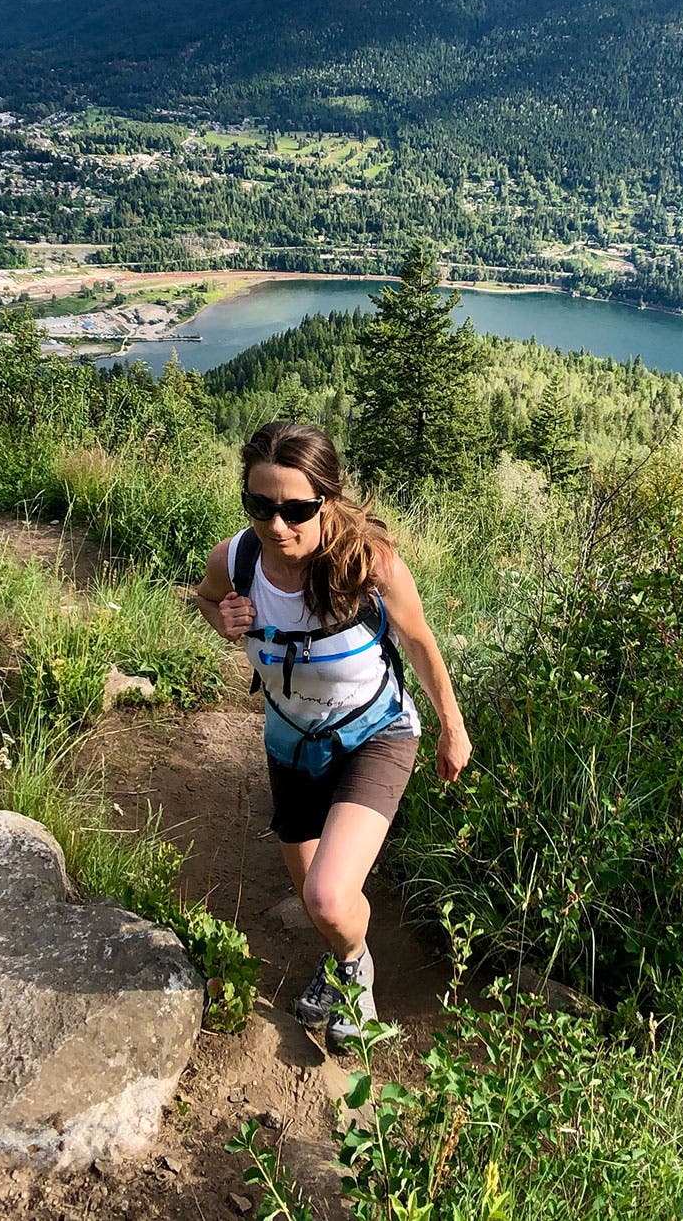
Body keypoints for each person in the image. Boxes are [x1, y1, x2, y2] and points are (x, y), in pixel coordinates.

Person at [193, 421, 472, 1052]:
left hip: (376, 733)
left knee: (325, 894)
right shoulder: (235, 559)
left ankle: (356, 977)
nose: (276, 525)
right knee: (315, 894)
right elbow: (206, 599)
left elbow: (420, 644)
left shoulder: (368, 563)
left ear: (327, 501)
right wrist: (223, 618)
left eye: (295, 509)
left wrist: (451, 728)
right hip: (291, 742)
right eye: (259, 506)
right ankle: (345, 956)